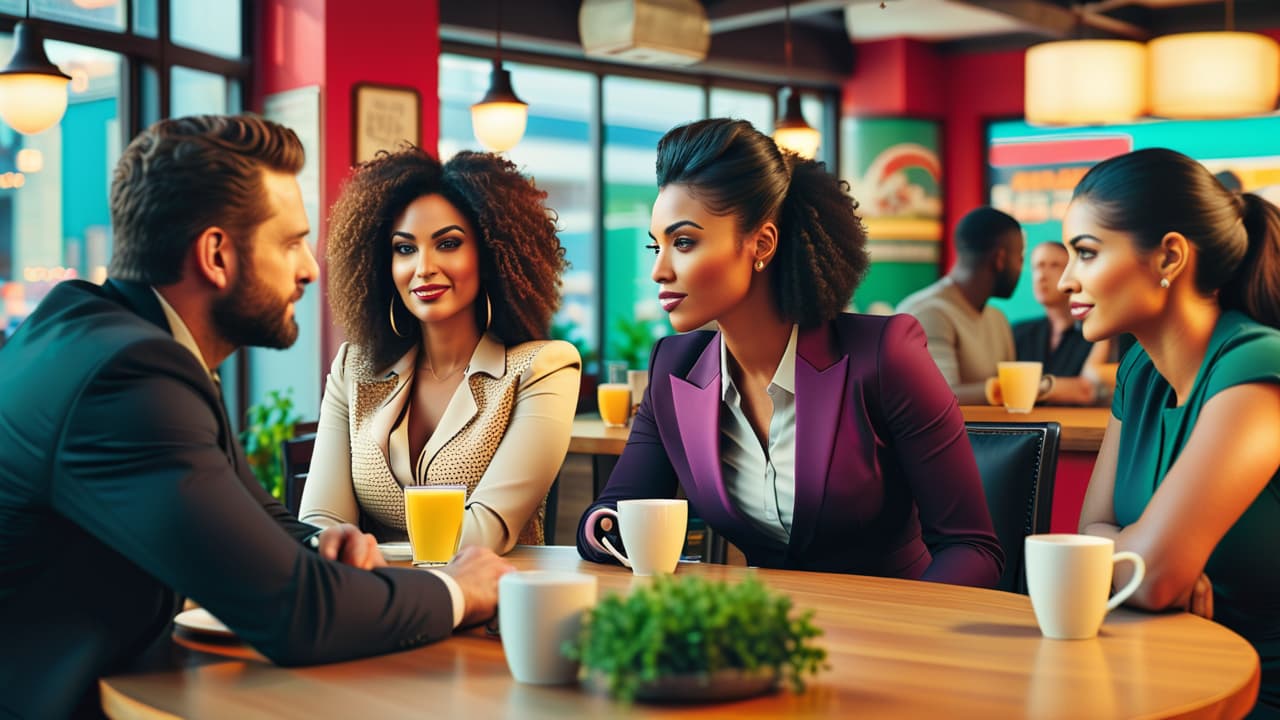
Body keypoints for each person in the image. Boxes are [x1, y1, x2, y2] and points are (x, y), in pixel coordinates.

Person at [0, 116, 512, 719]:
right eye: (291, 242)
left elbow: (257, 515)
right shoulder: (131, 378)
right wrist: (460, 590)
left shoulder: (105, 335)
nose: (310, 270)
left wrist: (320, 543)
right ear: (216, 254)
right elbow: (297, 613)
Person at [576, 119, 1003, 586]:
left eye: (683, 242)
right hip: (763, 630)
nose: (659, 270)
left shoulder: (884, 356)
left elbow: (972, 548)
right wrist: (604, 527)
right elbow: (616, 508)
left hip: (892, 631)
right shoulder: (674, 370)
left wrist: (910, 636)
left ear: (761, 244)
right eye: (654, 245)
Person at [1066, 148, 1280, 715]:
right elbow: (1090, 533)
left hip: (1254, 693)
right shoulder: (1139, 370)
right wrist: (1138, 552)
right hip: (1161, 672)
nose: (1067, 280)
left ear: (1169, 256)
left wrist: (1143, 554)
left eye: (1085, 253)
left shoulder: (1256, 365)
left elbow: (1151, 577)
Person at [299, 147, 579, 553]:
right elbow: (321, 523)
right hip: (373, 604)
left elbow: (487, 532)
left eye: (447, 244)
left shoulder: (542, 368)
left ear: (491, 255)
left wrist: (361, 554)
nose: (423, 267)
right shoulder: (353, 369)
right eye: (405, 248)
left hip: (490, 604)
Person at [897, 206, 1023, 405]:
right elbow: (938, 399)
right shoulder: (930, 313)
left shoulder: (997, 318)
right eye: (1020, 258)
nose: (1021, 267)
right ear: (999, 259)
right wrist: (1019, 388)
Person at [1011, 241, 1113, 405]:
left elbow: (1087, 389)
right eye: (1038, 266)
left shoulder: (1098, 331)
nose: (1042, 275)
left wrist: (1021, 387)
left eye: (1054, 265)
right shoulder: (1018, 332)